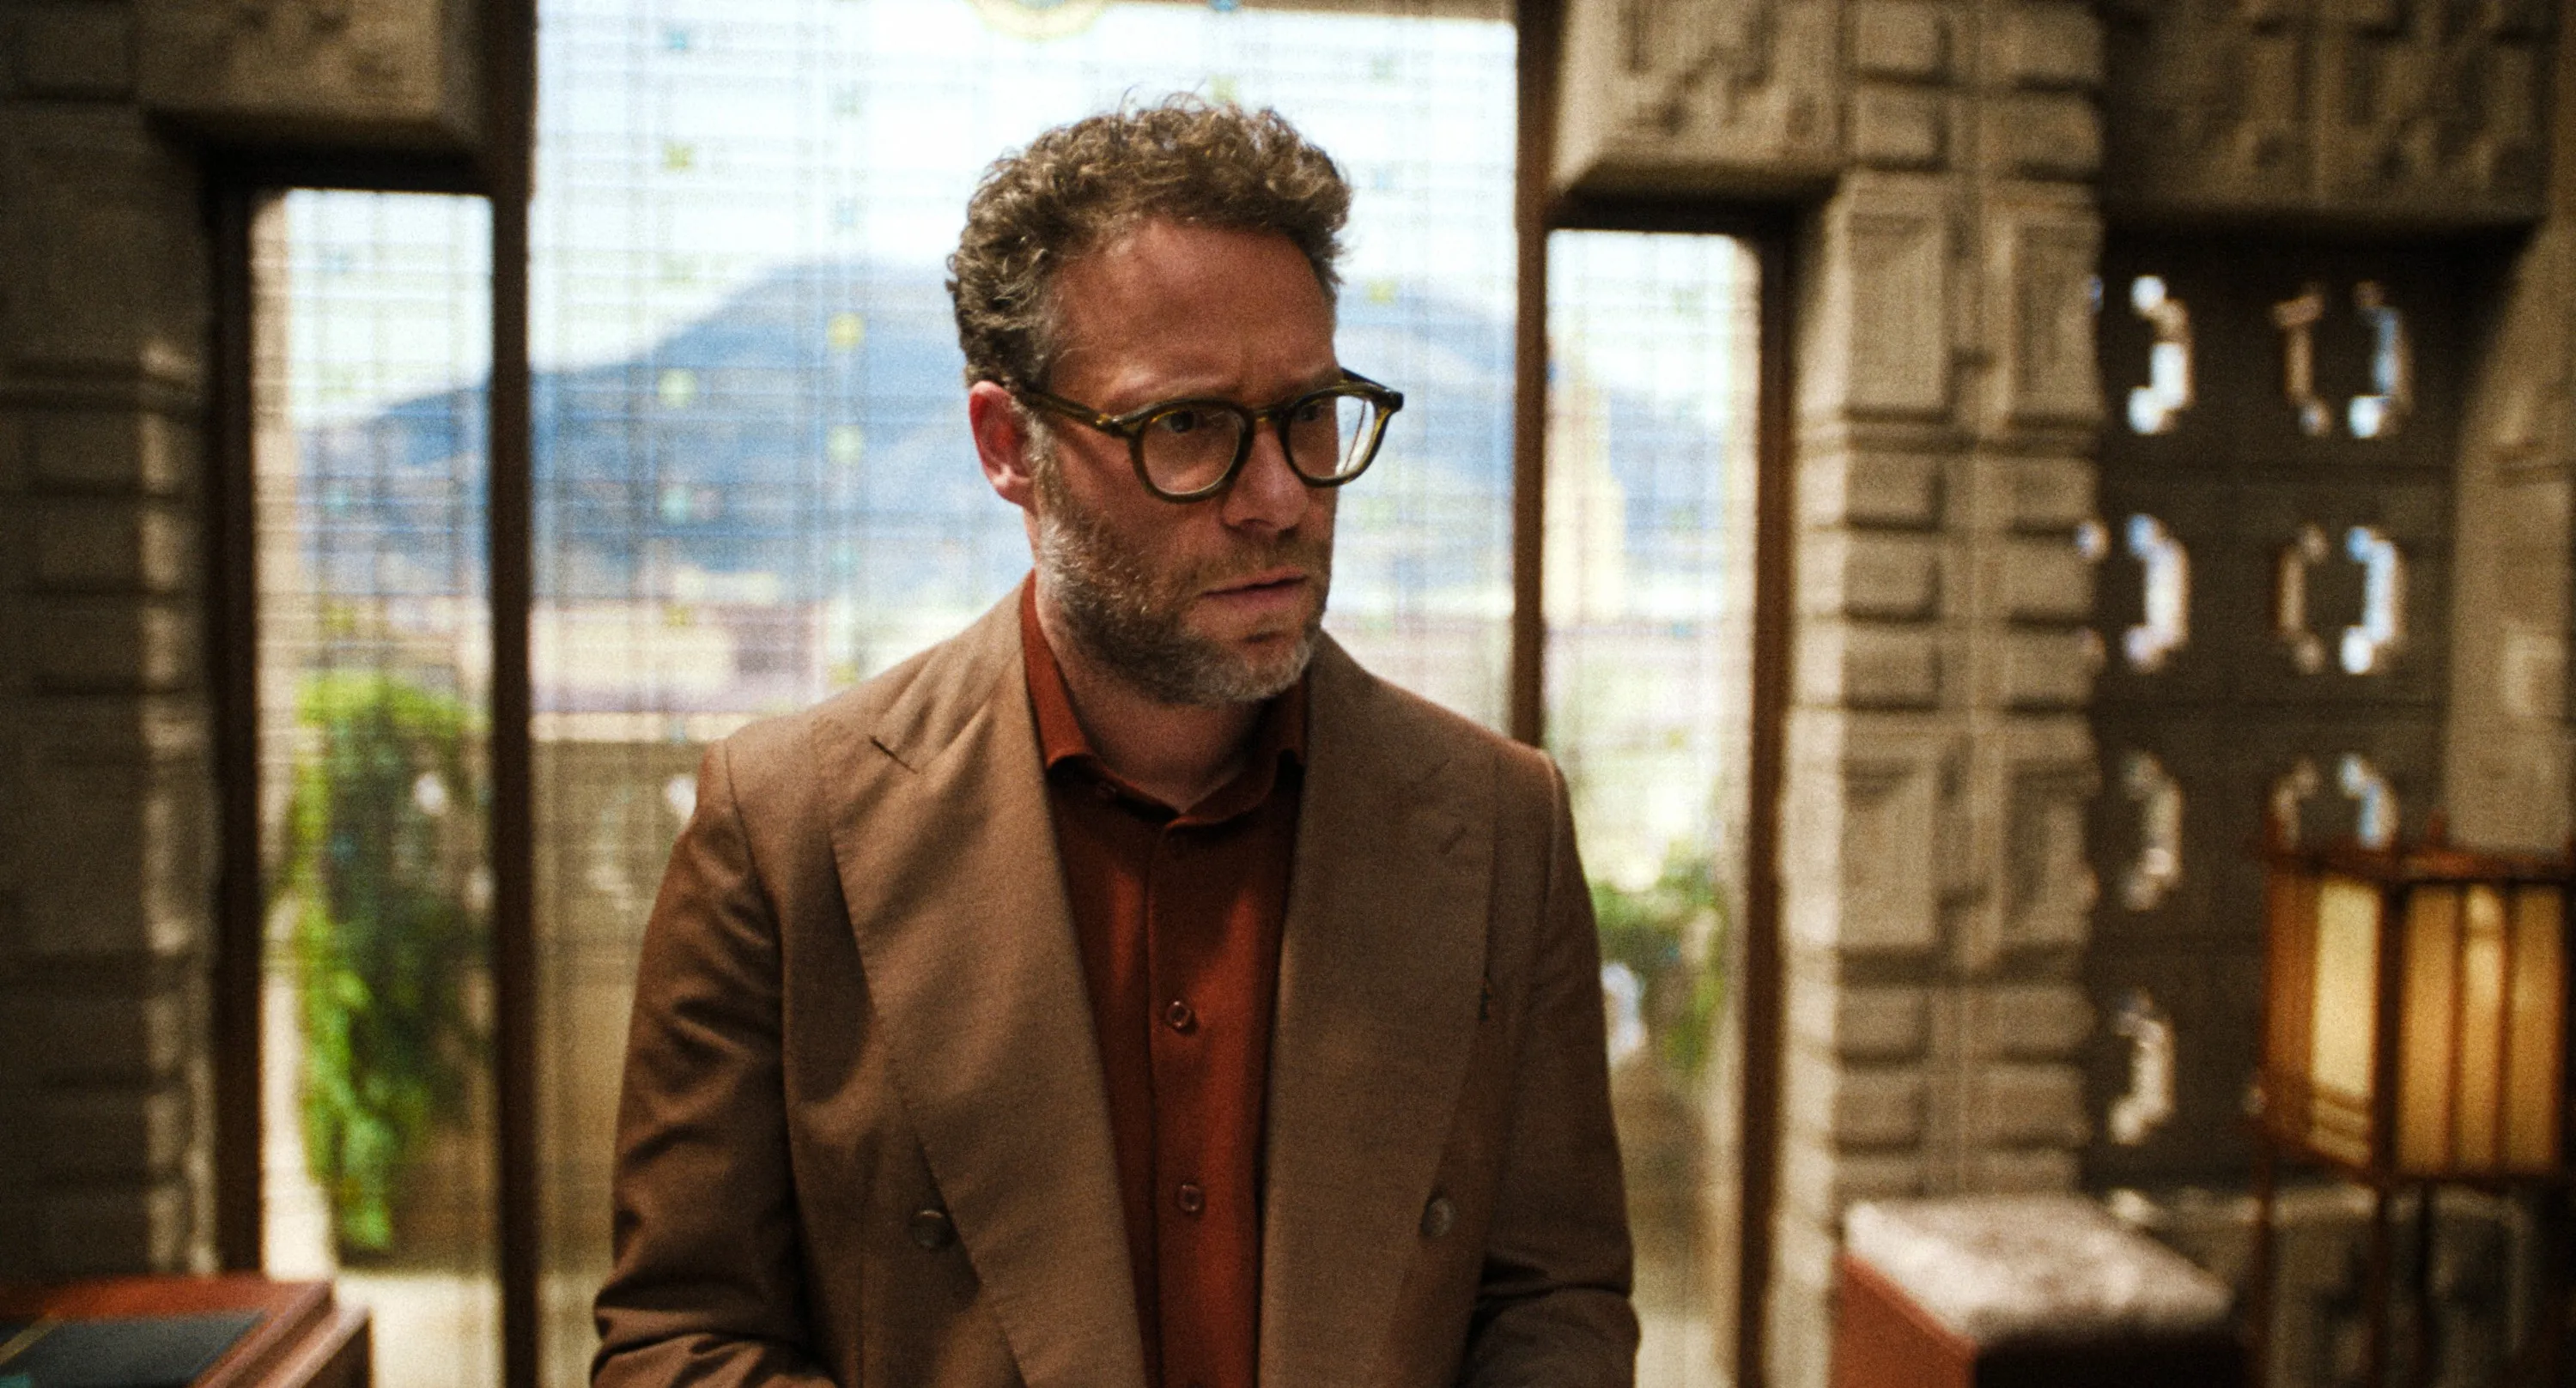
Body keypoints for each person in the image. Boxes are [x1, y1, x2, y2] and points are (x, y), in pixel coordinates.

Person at [592, 97, 1636, 1388]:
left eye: (1311, 412)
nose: (1281, 498)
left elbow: (1556, 1305)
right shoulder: (789, 826)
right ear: (1006, 447)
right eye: (1185, 427)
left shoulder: (1497, 823)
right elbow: (681, 1340)